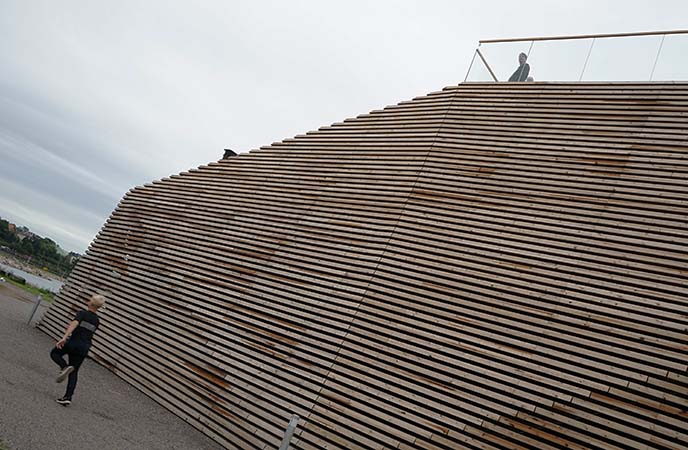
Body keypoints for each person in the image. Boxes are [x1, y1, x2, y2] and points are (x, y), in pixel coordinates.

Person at [50, 293, 105, 406]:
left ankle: (64, 367)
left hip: (73, 343)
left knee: (54, 353)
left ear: (91, 303)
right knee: (74, 372)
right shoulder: (97, 320)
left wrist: (64, 338)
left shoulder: (82, 313)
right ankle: (68, 397)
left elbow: (74, 324)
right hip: (84, 347)